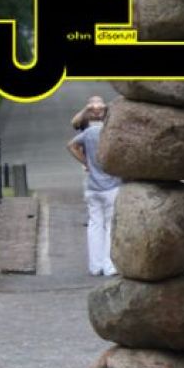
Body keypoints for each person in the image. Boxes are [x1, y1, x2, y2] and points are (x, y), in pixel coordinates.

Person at [66, 96, 120, 277]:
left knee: (94, 226)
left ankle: (95, 266)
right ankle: (109, 266)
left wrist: (86, 163)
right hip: (111, 186)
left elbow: (71, 145)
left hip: (92, 186)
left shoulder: (88, 133)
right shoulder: (110, 133)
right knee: (110, 226)